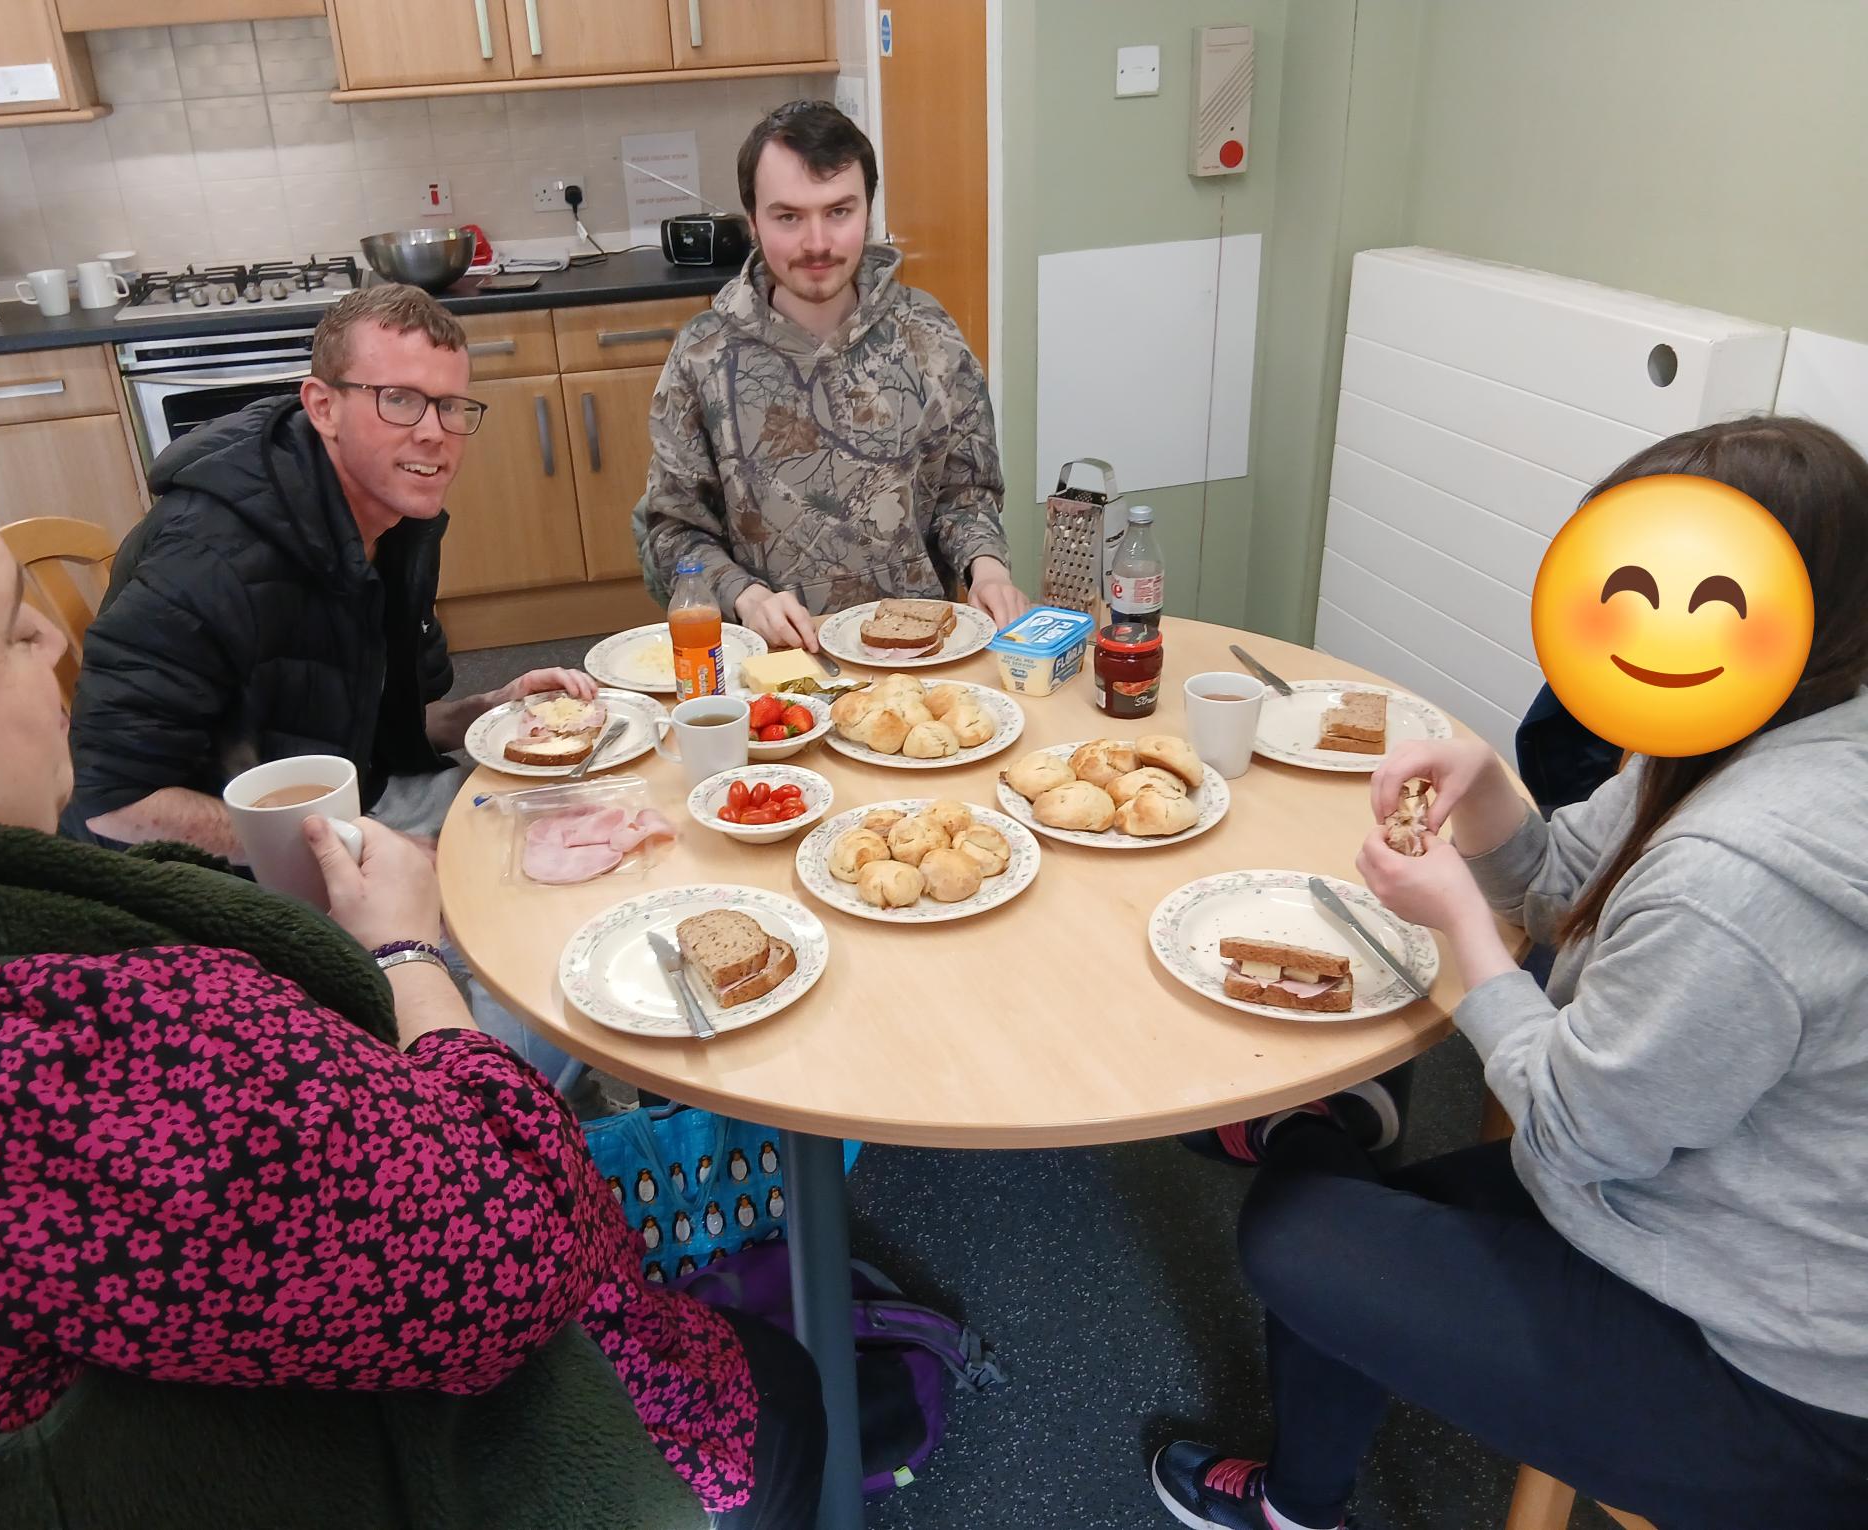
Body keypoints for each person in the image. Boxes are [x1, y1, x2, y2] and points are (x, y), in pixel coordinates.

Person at [0, 431, 823, 1529]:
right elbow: (513, 1261)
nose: (56, 653)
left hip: (223, 1372)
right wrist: (406, 955)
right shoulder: (30, 1056)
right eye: (17, 630)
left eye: (454, 408)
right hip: (374, 1448)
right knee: (786, 1398)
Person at [1149, 417, 1868, 1530]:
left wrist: (1465, 934)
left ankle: (1304, 1136)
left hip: (1775, 1376)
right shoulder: (1732, 726)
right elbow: (1561, 887)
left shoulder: (1747, 868)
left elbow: (1580, 1132)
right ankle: (1304, 1493)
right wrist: (1487, 795)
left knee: (1295, 1237)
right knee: (1339, 1214)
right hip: (1684, 1194)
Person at [61, 282, 595, 858]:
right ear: (322, 406)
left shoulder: (396, 518)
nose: (434, 431)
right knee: (528, 876)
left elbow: (357, 726)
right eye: (398, 399)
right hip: (220, 870)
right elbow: (109, 804)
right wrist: (355, 852)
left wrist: (486, 710)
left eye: (449, 405)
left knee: (581, 810)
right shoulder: (209, 557)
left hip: (346, 802)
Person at [633, 99, 1031, 650]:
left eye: (838, 212)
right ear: (752, 221)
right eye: (789, 217)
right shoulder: (703, 355)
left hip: (921, 658)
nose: (817, 243)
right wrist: (747, 597)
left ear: (868, 210)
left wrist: (987, 570)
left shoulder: (929, 335)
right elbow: (673, 531)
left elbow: (966, 494)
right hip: (776, 667)